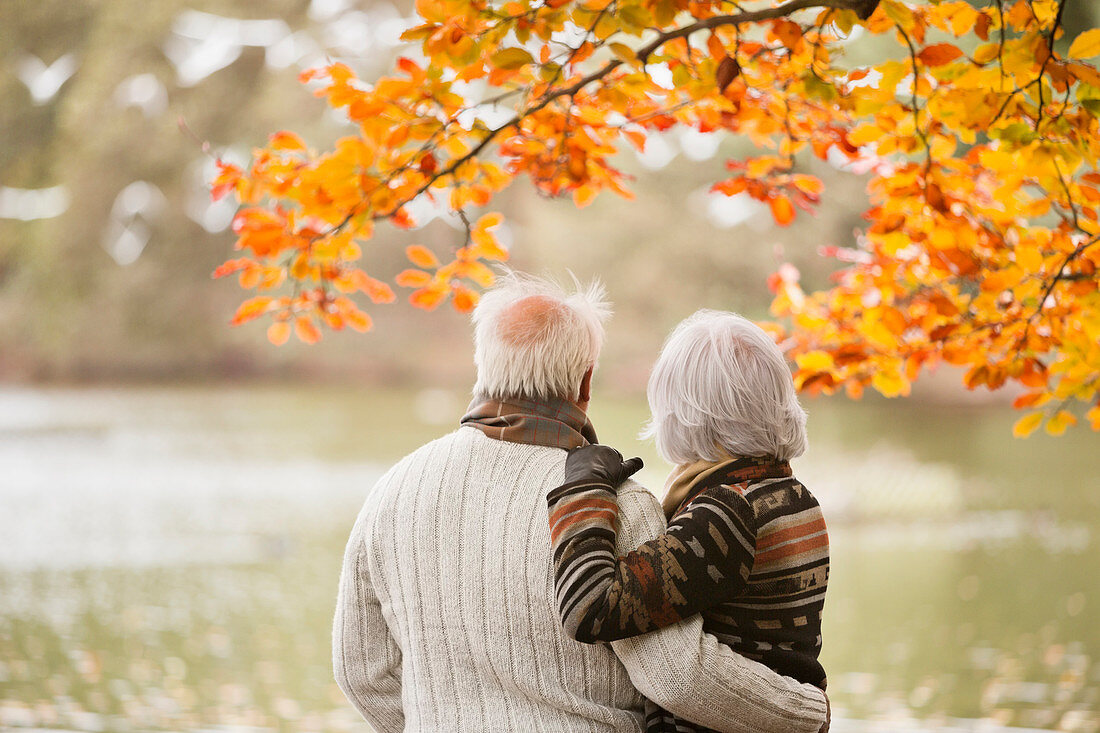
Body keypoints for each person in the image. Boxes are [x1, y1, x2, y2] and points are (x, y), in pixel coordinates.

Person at [333, 275, 830, 733]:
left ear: (482, 362)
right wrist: (810, 710)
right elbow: (678, 677)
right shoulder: (622, 505)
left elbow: (363, 674)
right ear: (586, 382)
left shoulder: (392, 491)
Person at [547, 310, 830, 733]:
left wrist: (583, 489)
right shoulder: (791, 494)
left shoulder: (727, 513)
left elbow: (588, 607)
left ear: (684, 412)